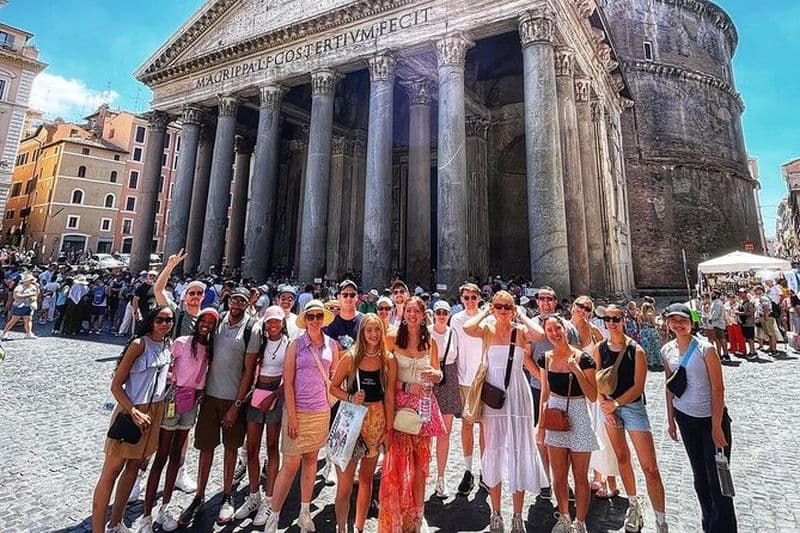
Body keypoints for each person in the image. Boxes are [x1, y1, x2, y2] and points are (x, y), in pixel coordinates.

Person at [179, 288, 262, 527]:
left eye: (242, 300)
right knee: (206, 448)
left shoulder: (252, 328)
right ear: (228, 300)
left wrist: (237, 405)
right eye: (234, 299)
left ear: (248, 303)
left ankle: (227, 496)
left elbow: (248, 370)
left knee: (231, 449)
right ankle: (199, 495)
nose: (237, 304)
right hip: (210, 397)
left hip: (232, 399)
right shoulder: (216, 321)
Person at [463, 291, 545, 533]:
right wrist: (486, 311)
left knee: (519, 451)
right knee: (494, 450)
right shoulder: (487, 328)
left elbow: (538, 334)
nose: (502, 310)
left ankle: (518, 516)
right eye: (498, 306)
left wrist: (520, 313)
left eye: (506, 307)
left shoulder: (520, 331)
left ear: (512, 308)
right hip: (494, 396)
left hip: (518, 395)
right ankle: (495, 513)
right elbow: (468, 327)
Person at [91, 306, 174, 533]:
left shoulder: (168, 344)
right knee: (111, 472)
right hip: (132, 410)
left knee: (134, 468)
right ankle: (97, 529)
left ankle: (116, 523)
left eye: (169, 320)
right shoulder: (139, 344)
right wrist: (133, 411)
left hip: (155, 410)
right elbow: (116, 385)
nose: (165, 324)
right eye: (160, 319)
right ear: (151, 321)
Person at [139, 308, 219, 533]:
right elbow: (165, 367)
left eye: (211, 322)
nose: (206, 324)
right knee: (162, 455)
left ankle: (164, 508)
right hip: (174, 398)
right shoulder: (182, 342)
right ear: (198, 322)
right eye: (203, 320)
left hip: (192, 402)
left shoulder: (210, 349)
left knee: (177, 456)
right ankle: (146, 515)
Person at [264, 300, 340, 533]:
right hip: (298, 412)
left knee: (310, 462)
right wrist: (293, 416)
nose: (315, 320)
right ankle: (273, 517)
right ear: (305, 320)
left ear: (323, 319)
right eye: (311, 317)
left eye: (318, 316)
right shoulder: (295, 346)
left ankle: (304, 513)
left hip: (320, 412)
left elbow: (334, 377)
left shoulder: (332, 345)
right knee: (289, 465)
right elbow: (287, 383)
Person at [594, 305, 669, 533]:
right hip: (609, 408)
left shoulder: (636, 350)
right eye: (607, 319)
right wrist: (606, 406)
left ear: (623, 320)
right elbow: (597, 378)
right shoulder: (600, 348)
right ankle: (633, 504)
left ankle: (660, 519)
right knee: (622, 457)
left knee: (650, 467)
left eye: (615, 318)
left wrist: (615, 404)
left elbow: (638, 387)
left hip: (632, 408)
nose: (611, 323)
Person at [662, 303, 737, 532]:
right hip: (686, 419)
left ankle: (724, 527)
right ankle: (708, 523)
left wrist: (716, 425)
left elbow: (718, 389)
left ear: (691, 322)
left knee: (718, 478)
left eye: (683, 320)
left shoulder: (706, 349)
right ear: (667, 323)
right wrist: (670, 419)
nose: (678, 324)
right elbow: (669, 385)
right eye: (673, 320)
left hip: (710, 420)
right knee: (700, 477)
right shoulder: (667, 350)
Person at [378, 296, 445, 532]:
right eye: (409, 311)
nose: (412, 315)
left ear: (423, 314)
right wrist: (407, 387)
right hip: (399, 407)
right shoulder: (392, 339)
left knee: (420, 467)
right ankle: (395, 518)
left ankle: (416, 517)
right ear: (403, 313)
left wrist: (437, 376)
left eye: (417, 311)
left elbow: (438, 372)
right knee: (396, 465)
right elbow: (384, 377)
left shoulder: (431, 343)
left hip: (424, 407)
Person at [330, 313, 397, 533]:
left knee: (367, 480)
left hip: (376, 422)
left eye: (377, 330)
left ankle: (358, 526)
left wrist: (388, 430)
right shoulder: (350, 357)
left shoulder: (388, 359)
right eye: (369, 330)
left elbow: (389, 397)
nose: (374, 335)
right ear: (362, 332)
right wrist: (350, 397)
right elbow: (334, 387)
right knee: (345, 483)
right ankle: (341, 528)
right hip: (353, 420)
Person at [537, 315, 598, 533]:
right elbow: (545, 392)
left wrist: (578, 371)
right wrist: (540, 425)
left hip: (579, 413)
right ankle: (564, 516)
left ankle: (580, 522)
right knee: (559, 475)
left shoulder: (584, 359)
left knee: (580, 476)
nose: (554, 333)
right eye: (549, 330)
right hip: (555, 413)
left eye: (557, 328)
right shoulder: (545, 358)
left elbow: (592, 395)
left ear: (565, 329)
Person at [234, 305, 289, 526]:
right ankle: (254, 495)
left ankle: (269, 499)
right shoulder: (259, 341)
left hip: (276, 394)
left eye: (277, 321)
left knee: (272, 447)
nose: (273, 325)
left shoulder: (289, 344)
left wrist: (275, 395)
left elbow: (289, 374)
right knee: (253, 448)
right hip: (257, 394)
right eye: (270, 322)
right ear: (265, 324)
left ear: (283, 323)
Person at [526, 286, 580, 500]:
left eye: (549, 299)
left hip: (565, 390)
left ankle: (563, 481)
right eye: (541, 299)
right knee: (542, 435)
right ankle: (548, 479)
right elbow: (526, 357)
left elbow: (576, 355)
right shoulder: (530, 328)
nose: (545, 302)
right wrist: (544, 380)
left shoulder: (568, 326)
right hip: (539, 387)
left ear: (556, 302)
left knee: (564, 433)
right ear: (537, 301)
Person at [571, 297, 619, 499]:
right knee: (580, 434)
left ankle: (609, 480)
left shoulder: (595, 331)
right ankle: (590, 477)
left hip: (593, 389)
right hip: (573, 389)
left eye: (587, 308)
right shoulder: (564, 329)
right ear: (573, 308)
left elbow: (605, 361)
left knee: (601, 433)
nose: (583, 310)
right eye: (580, 307)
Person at [449, 282, 485, 495]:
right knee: (467, 425)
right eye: (466, 297)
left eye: (473, 297)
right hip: (463, 379)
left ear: (480, 297)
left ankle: (485, 470)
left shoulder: (488, 318)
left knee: (486, 428)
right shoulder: (456, 319)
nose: (470, 300)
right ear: (461, 299)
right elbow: (453, 350)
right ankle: (468, 470)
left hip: (483, 378)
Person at [429, 299, 461, 499]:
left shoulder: (454, 333)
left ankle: (441, 477)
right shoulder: (426, 332)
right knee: (423, 431)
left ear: (449, 314)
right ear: (433, 314)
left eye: (444, 312)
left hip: (448, 379)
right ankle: (422, 474)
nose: (441, 315)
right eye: (438, 312)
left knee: (445, 432)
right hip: (430, 377)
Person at [1, 272, 38, 339]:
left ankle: (29, 333)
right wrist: (28, 295)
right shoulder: (19, 287)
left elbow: (35, 294)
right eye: (30, 280)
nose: (31, 282)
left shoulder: (33, 287)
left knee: (28, 320)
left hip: (28, 305)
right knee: (13, 320)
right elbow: (16, 296)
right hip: (19, 305)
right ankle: (4, 333)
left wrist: (34, 299)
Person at [724, 293, 746, 357]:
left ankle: (742, 349)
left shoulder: (738, 305)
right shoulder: (726, 304)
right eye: (730, 297)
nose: (731, 299)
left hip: (736, 322)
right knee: (731, 336)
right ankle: (733, 348)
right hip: (729, 322)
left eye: (733, 297)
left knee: (739, 336)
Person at [737, 288, 757, 357]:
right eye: (739, 293)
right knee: (747, 338)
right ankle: (752, 351)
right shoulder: (740, 302)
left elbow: (750, 313)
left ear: (745, 293)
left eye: (742, 292)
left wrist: (739, 313)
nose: (740, 294)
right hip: (743, 323)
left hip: (749, 323)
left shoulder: (750, 303)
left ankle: (752, 352)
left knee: (750, 338)